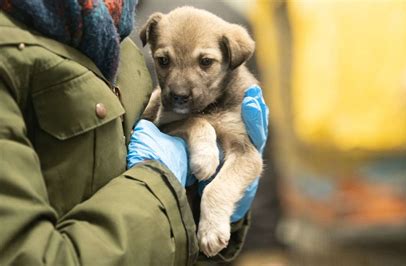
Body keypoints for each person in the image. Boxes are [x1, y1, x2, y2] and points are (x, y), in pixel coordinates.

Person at [0, 0, 268, 265]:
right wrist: (158, 184)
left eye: (205, 63)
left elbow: (189, 234)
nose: (179, 88)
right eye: (164, 61)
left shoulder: (120, 29)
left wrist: (207, 212)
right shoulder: (12, 48)